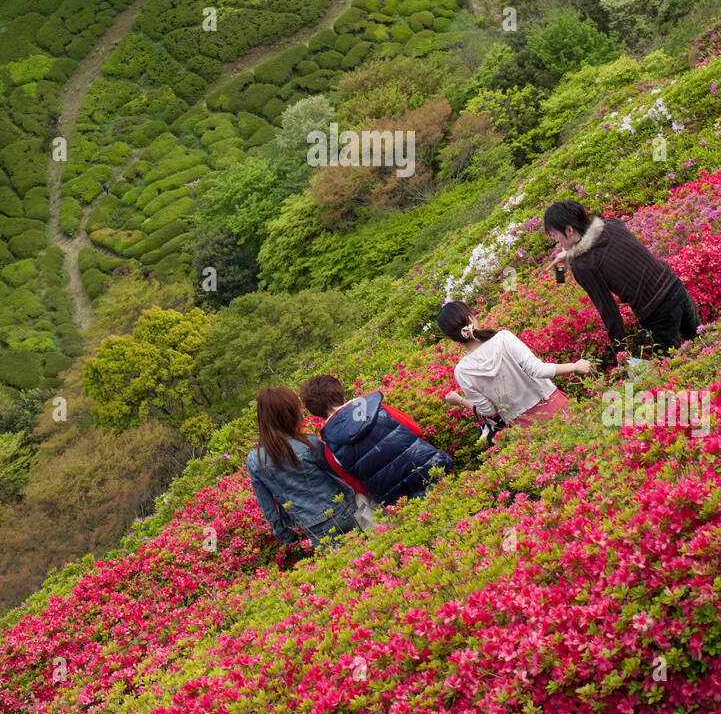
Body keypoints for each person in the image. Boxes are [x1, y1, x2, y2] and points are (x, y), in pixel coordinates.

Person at [544, 200, 699, 356]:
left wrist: (620, 352)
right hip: (676, 286)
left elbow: (609, 311)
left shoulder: (583, 265)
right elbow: (597, 245)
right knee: (701, 347)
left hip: (656, 310)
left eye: (556, 234)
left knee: (673, 367)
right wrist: (570, 254)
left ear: (569, 230)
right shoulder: (611, 224)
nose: (557, 241)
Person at [436, 300, 592, 443]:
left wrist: (460, 401)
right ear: (471, 319)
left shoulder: (462, 371)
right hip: (553, 406)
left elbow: (488, 410)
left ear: (451, 337)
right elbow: (537, 369)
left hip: (524, 428)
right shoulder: (503, 338)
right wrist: (575, 366)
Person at [299, 374, 454, 506]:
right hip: (430, 471)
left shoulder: (330, 448)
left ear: (315, 413)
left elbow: (360, 488)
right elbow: (416, 429)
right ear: (341, 393)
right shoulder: (378, 409)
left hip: (399, 500)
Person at [246, 387, 357, 550]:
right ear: (292, 414)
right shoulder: (308, 443)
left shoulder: (255, 461)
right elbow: (340, 472)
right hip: (347, 508)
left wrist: (286, 535)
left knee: (344, 570)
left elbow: (268, 507)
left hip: (316, 527)